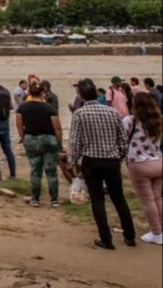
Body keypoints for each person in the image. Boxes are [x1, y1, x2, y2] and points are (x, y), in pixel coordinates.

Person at [69, 78, 137, 250]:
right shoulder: (112, 112)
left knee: (97, 200)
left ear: (81, 95)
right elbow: (122, 139)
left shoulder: (79, 114)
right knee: (119, 198)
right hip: (112, 160)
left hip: (91, 161)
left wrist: (73, 162)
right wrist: (120, 156)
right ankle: (130, 236)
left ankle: (106, 238)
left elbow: (75, 142)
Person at [122, 92, 162, 245]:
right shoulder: (158, 120)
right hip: (158, 161)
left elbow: (122, 137)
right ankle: (160, 230)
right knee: (158, 198)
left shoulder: (130, 120)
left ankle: (156, 232)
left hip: (139, 163)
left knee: (147, 200)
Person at [15, 82, 62, 207]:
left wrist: (23, 137)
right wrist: (59, 143)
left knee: (35, 170)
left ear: (29, 93)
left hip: (30, 138)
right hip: (48, 139)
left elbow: (19, 125)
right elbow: (57, 127)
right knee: (51, 171)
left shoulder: (22, 107)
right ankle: (54, 199)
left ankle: (35, 198)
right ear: (42, 93)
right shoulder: (49, 108)